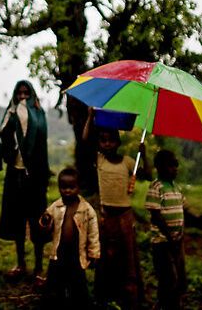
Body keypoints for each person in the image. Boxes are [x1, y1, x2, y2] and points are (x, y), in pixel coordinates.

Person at [81, 107, 149, 310]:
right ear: (100, 143)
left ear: (118, 142)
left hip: (125, 216)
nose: (107, 143)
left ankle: (130, 296)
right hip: (106, 215)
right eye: (103, 140)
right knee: (106, 255)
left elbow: (147, 173)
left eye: (111, 140)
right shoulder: (99, 159)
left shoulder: (128, 162)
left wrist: (144, 156)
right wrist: (91, 116)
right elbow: (85, 141)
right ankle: (104, 295)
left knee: (127, 256)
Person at [0, 80, 50, 285]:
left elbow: (41, 144)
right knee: (17, 221)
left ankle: (38, 268)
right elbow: (4, 141)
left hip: (34, 176)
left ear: (32, 95)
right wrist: (13, 120)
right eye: (20, 93)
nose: (23, 97)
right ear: (15, 95)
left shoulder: (39, 114)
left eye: (27, 93)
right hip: (14, 175)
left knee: (37, 222)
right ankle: (20, 264)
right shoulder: (10, 113)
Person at [38, 167, 100, 310]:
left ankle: (79, 303)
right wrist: (45, 220)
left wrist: (94, 253)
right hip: (59, 253)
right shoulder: (56, 206)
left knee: (78, 283)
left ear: (78, 187)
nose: (67, 191)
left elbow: (93, 232)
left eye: (71, 187)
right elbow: (45, 221)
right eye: (63, 187)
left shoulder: (86, 209)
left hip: (77, 254)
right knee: (55, 282)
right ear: (59, 188)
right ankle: (56, 302)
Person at [144, 150, 187, 310]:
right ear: (159, 167)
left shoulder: (176, 188)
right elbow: (156, 215)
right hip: (162, 241)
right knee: (168, 276)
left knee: (179, 275)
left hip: (177, 240)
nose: (175, 169)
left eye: (176, 165)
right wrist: (170, 236)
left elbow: (182, 211)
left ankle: (170, 302)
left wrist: (180, 235)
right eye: (171, 165)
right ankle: (165, 303)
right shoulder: (156, 187)